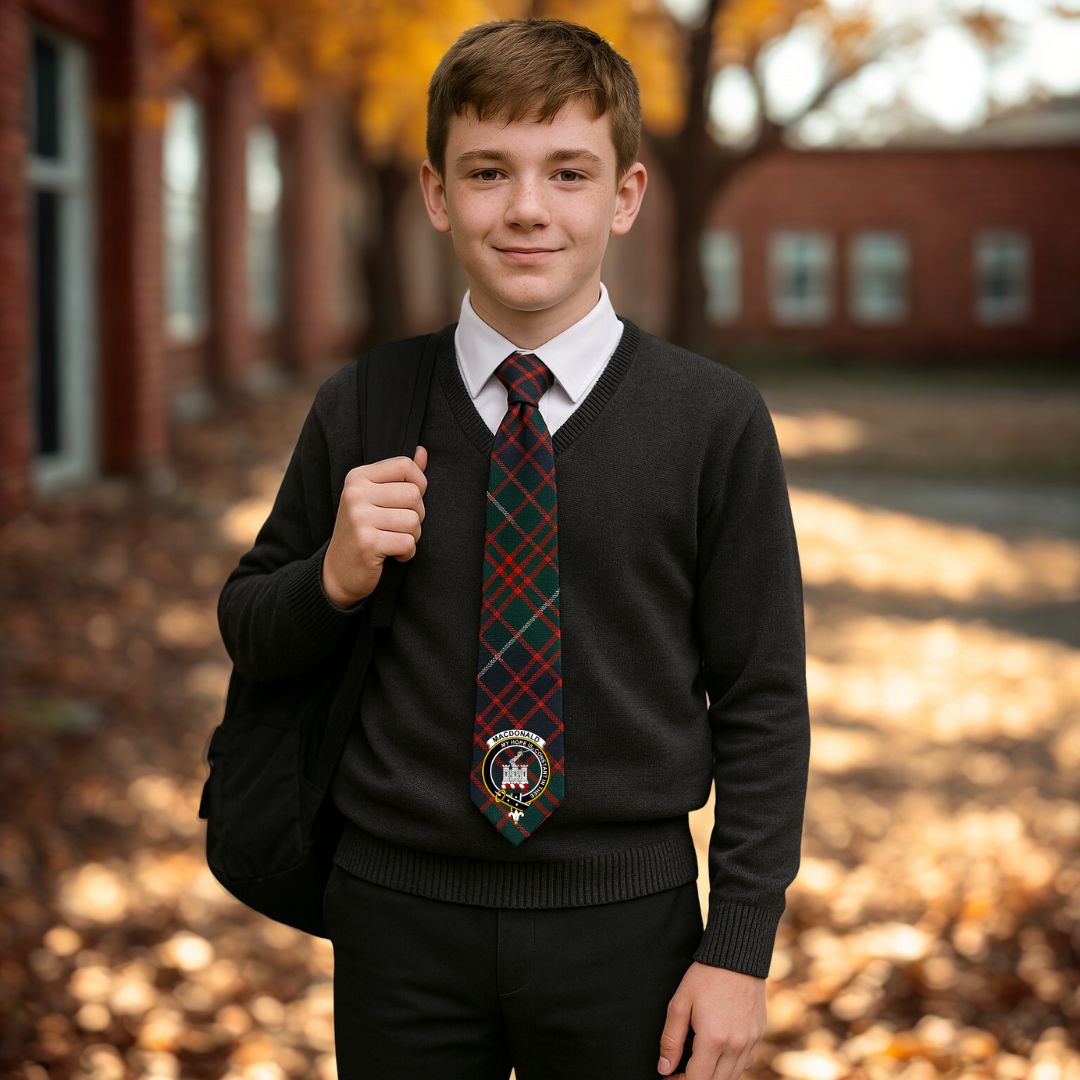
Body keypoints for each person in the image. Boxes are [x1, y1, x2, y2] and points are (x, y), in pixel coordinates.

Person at [217, 16, 810, 1080]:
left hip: (626, 920)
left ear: (624, 195)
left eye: (568, 173)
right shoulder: (364, 404)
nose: (527, 208)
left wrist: (739, 949)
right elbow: (252, 629)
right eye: (488, 171)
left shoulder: (711, 421)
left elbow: (763, 699)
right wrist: (333, 581)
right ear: (439, 194)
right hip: (399, 917)